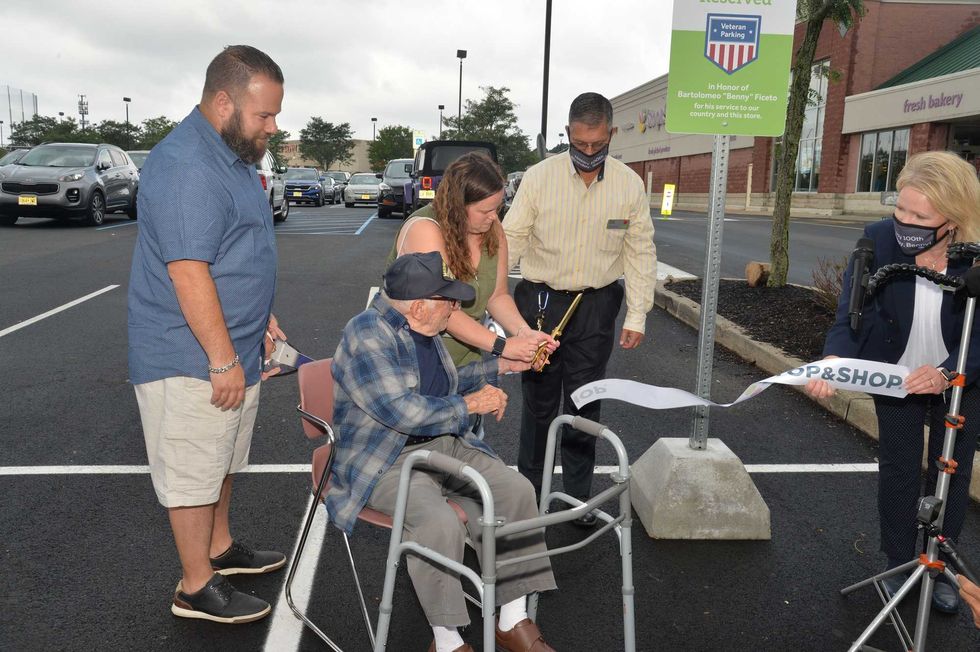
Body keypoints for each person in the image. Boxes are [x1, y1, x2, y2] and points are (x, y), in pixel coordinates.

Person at [128, 45, 287, 624]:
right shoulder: (188, 165)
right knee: (194, 470)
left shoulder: (231, 154)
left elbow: (235, 250)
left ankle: (220, 550)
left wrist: (260, 319)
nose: (273, 126)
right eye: (263, 115)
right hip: (191, 357)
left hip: (233, 346)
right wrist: (222, 360)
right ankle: (195, 585)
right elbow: (189, 270)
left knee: (221, 458)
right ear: (224, 102)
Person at [327, 252, 557, 652]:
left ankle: (512, 618)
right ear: (418, 306)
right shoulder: (366, 335)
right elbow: (403, 412)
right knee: (438, 523)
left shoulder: (424, 330)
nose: (455, 309)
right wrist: (472, 405)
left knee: (517, 491)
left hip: (443, 443)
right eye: (448, 301)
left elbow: (442, 388)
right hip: (385, 458)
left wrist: (502, 366)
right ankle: (447, 641)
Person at [806, 151, 980, 613]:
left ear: (954, 217)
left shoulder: (978, 254)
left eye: (920, 216)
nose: (904, 220)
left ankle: (939, 565)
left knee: (951, 474)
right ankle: (901, 562)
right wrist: (833, 360)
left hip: (960, 377)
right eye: (900, 208)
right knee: (900, 471)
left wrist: (946, 372)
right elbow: (851, 312)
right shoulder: (878, 239)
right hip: (897, 375)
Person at [503, 92, 656, 525]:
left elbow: (640, 251)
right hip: (540, 302)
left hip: (596, 305)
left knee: (584, 404)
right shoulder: (538, 178)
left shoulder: (629, 184)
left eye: (597, 145)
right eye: (580, 144)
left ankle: (577, 501)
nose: (588, 153)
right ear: (568, 133)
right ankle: (528, 499)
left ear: (611, 133)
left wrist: (638, 314)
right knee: (538, 404)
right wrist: (483, 295)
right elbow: (510, 239)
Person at [388, 151, 555, 369]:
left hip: (467, 360)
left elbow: (497, 295)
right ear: (457, 207)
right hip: (416, 361)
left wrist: (524, 334)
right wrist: (504, 347)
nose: (494, 217)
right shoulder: (425, 229)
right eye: (485, 210)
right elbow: (444, 312)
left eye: (498, 208)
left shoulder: (492, 228)